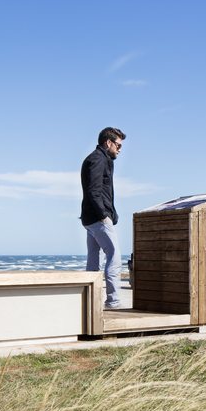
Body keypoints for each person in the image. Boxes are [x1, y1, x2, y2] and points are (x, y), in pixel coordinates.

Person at [80, 127, 126, 309]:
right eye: (118, 145)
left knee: (94, 261)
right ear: (108, 143)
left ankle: (91, 302)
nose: (120, 149)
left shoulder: (98, 158)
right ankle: (113, 302)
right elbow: (94, 191)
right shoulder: (98, 160)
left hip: (90, 219)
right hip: (98, 219)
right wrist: (104, 215)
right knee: (114, 257)